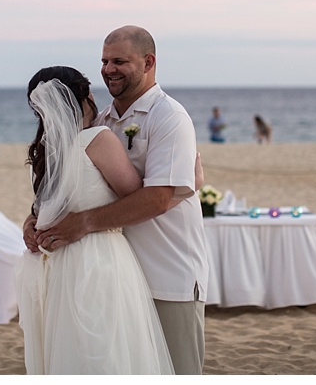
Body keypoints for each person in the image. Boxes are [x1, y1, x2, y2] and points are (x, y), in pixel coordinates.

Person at [28, 26, 209, 375]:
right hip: (114, 280)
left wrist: (83, 224)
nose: (108, 69)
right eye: (105, 61)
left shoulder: (169, 117)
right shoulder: (100, 121)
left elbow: (158, 198)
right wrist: (34, 217)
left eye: (120, 61)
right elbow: (73, 183)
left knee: (177, 372)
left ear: (149, 62)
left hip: (166, 274)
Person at [16, 66, 173, 374]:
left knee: (72, 351)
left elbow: (50, 207)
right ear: (87, 96)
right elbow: (136, 195)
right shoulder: (99, 139)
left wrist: (32, 222)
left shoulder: (52, 151)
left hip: (59, 268)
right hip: (97, 261)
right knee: (104, 353)